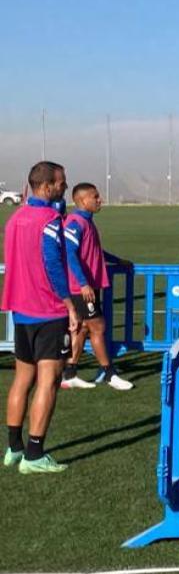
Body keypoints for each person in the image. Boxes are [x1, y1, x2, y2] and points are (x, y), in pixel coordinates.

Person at [2, 161, 81, 474]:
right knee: (48, 380)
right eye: (61, 182)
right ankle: (34, 454)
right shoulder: (49, 220)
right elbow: (52, 264)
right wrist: (69, 303)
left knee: (23, 379)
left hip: (21, 311)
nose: (65, 186)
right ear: (47, 186)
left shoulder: (15, 219)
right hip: (47, 310)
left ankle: (14, 448)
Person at [60, 182, 134, 391]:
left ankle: (70, 374)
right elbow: (70, 253)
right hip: (81, 288)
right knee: (98, 327)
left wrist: (117, 260)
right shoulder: (75, 222)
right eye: (95, 196)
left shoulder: (87, 222)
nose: (100, 200)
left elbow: (93, 251)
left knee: (84, 328)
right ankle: (110, 374)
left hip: (88, 286)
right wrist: (83, 283)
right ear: (83, 200)